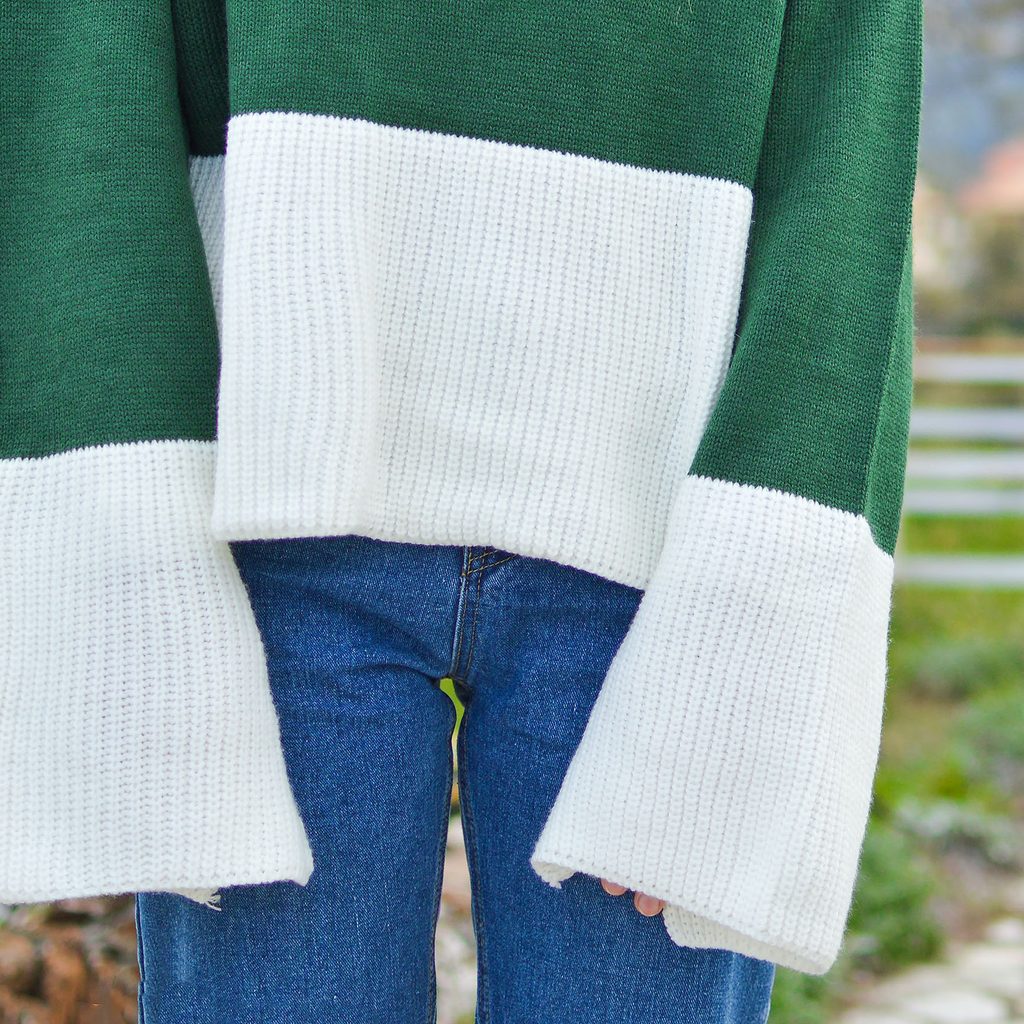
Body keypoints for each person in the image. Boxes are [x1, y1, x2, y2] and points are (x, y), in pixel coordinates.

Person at [0, 0, 922, 1020]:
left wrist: (751, 644)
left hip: (660, 558)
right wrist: (123, 556)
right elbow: (75, 100)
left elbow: (849, 167)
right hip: (262, 531)